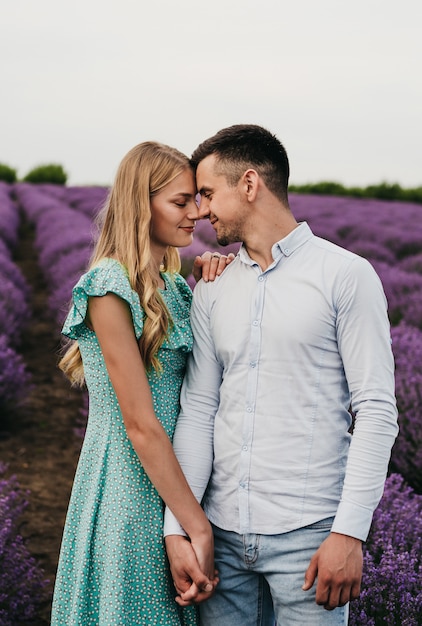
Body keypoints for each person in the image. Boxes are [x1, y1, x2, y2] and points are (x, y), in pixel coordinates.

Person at [164, 124, 399, 625]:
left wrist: (349, 533)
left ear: (249, 185)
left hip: (310, 539)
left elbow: (376, 409)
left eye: (207, 193)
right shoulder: (212, 286)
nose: (200, 210)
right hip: (220, 538)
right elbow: (199, 409)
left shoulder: (346, 276)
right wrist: (180, 528)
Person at [51, 141, 231, 625]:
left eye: (196, 198)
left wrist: (215, 278)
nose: (196, 212)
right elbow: (140, 424)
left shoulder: (173, 285)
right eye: (179, 201)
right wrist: (198, 527)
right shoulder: (109, 285)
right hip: (129, 487)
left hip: (176, 477)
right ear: (140, 203)